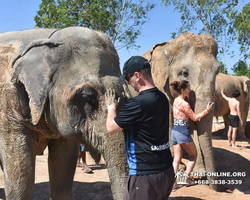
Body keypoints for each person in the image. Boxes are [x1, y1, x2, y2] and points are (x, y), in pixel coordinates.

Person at [105, 56, 175, 200]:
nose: (128, 83)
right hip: (166, 170)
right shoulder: (162, 98)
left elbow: (111, 128)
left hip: (144, 176)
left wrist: (111, 108)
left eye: (128, 79)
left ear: (137, 76)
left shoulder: (137, 103)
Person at [170, 80, 213, 190]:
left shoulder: (175, 101)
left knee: (176, 159)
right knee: (193, 155)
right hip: (183, 131)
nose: (190, 90)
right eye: (188, 88)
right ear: (183, 90)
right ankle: (186, 179)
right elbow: (194, 118)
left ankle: (172, 184)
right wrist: (207, 110)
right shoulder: (185, 104)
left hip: (174, 131)